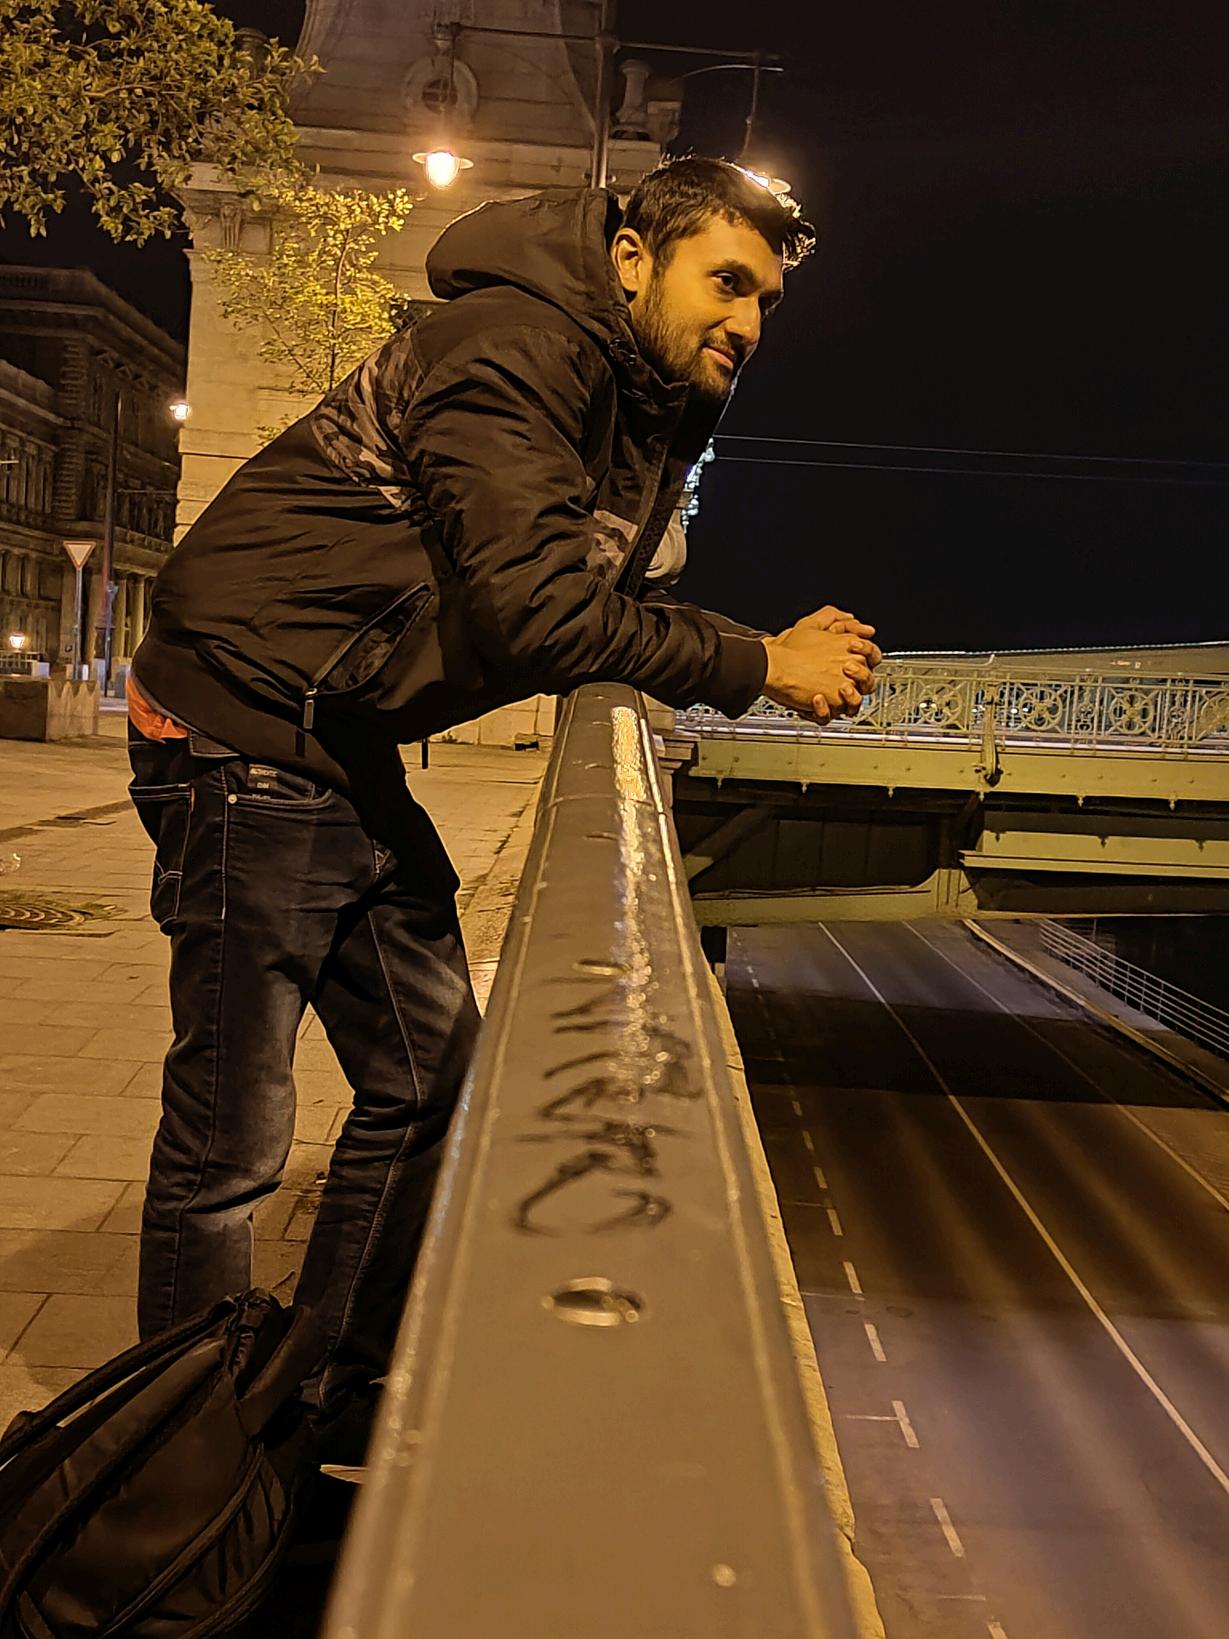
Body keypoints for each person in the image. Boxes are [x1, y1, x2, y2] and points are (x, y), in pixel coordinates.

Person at [127, 156, 881, 1420]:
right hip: (237, 724)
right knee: (230, 1143)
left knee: (430, 1082)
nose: (749, 323)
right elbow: (539, 617)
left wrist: (749, 644)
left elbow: (586, 594)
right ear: (632, 260)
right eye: (726, 283)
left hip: (332, 737)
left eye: (765, 301)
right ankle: (172, 1457)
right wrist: (756, 665)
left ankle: (313, 1400)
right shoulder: (514, 347)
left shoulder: (635, 390)